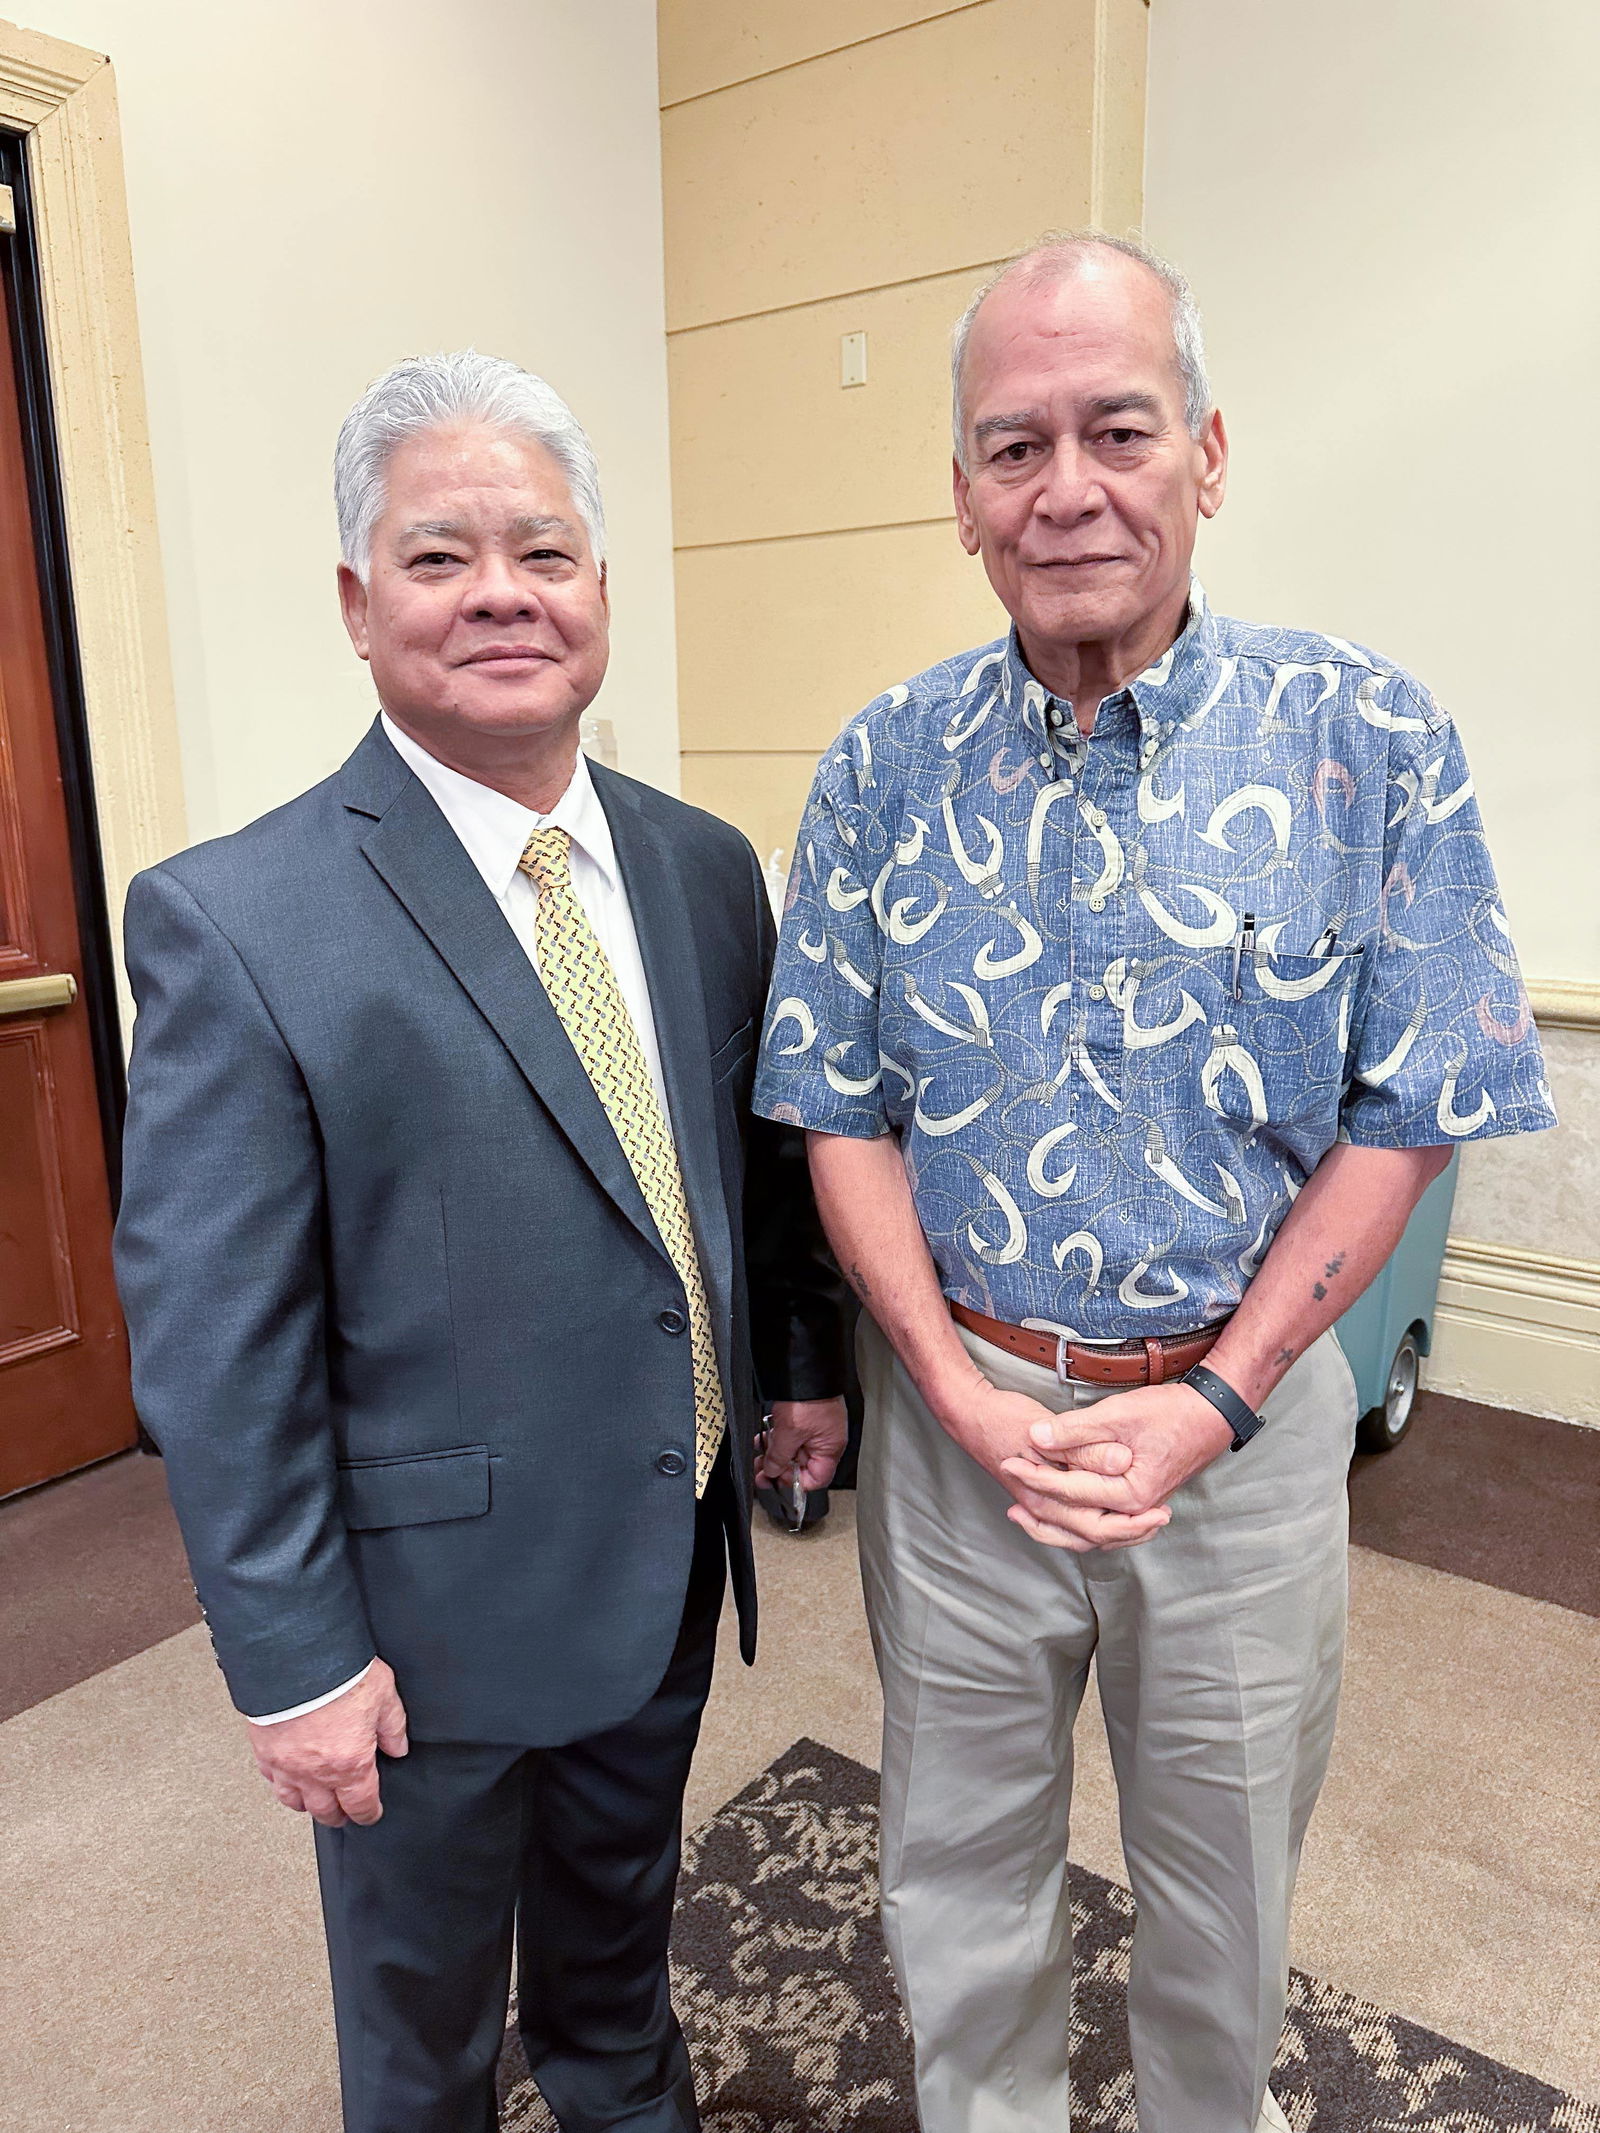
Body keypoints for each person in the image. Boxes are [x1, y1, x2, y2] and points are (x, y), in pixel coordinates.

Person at [754, 233, 1554, 2133]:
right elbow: (834, 1105)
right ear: (962, 498)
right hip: (963, 1432)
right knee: (955, 1866)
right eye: (1012, 445)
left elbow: (1413, 1100)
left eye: (1119, 427)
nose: (1068, 486)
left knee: (1226, 1885)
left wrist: (1212, 1400)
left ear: (1208, 451)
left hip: (1246, 1422)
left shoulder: (1371, 742)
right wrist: (948, 1390)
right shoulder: (879, 767)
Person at [114, 350, 846, 2133]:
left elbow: (737, 1164)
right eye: (442, 558)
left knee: (618, 1959)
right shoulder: (240, 915)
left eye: (547, 550)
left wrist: (803, 1375)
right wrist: (290, 1656)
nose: (505, 591)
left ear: (601, 592)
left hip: (659, 1559)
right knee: (427, 2037)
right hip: (419, 1630)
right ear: (361, 607)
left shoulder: (698, 864)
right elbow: (218, 1341)